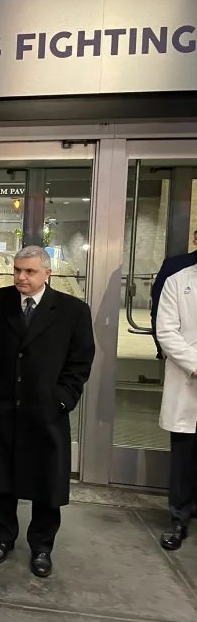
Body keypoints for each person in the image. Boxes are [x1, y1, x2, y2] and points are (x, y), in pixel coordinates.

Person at [0, 245, 95, 578]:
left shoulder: (72, 311)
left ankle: (42, 546)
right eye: (17, 270)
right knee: (2, 479)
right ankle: (3, 538)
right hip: (2, 408)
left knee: (47, 482)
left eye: (29, 272)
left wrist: (62, 399)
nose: (21, 277)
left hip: (47, 411)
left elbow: (80, 361)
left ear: (47, 273)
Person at [155, 261, 197, 550]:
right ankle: (180, 519)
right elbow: (167, 331)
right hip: (189, 377)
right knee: (185, 455)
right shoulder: (178, 280)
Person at [151, 229, 197, 359]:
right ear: (195, 240)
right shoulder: (175, 267)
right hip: (180, 357)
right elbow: (158, 309)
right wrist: (162, 347)